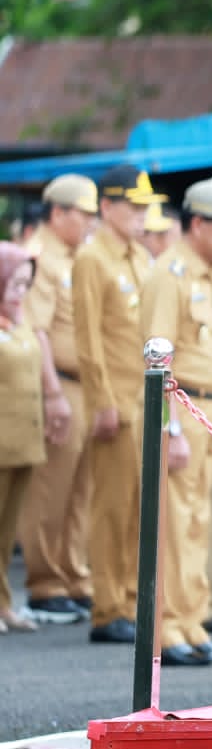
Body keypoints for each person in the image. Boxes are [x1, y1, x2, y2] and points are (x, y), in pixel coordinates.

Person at [142, 176, 212, 667]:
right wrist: (168, 428)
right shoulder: (169, 274)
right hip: (180, 408)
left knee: (198, 522)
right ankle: (168, 629)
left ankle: (191, 622)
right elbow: (156, 357)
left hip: (209, 409)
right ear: (197, 223)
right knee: (175, 523)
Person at [75, 164, 159, 645]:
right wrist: (101, 401)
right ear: (106, 207)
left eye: (145, 207)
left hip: (143, 404)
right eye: (132, 206)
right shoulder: (93, 258)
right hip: (117, 404)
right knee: (111, 508)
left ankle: (131, 598)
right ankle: (107, 607)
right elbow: (88, 338)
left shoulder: (139, 257)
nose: (141, 215)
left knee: (138, 509)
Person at [19, 175, 99, 625]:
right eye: (82, 214)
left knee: (81, 488)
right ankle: (46, 582)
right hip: (60, 384)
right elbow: (40, 330)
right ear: (57, 214)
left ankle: (73, 575)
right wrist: (52, 394)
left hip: (82, 384)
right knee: (51, 489)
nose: (89, 222)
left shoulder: (75, 257)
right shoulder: (42, 259)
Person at [0, 242, 45, 633]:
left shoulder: (21, 320)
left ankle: (4, 605)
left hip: (22, 442)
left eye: (25, 285)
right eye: (13, 284)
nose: (19, 292)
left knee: (6, 530)